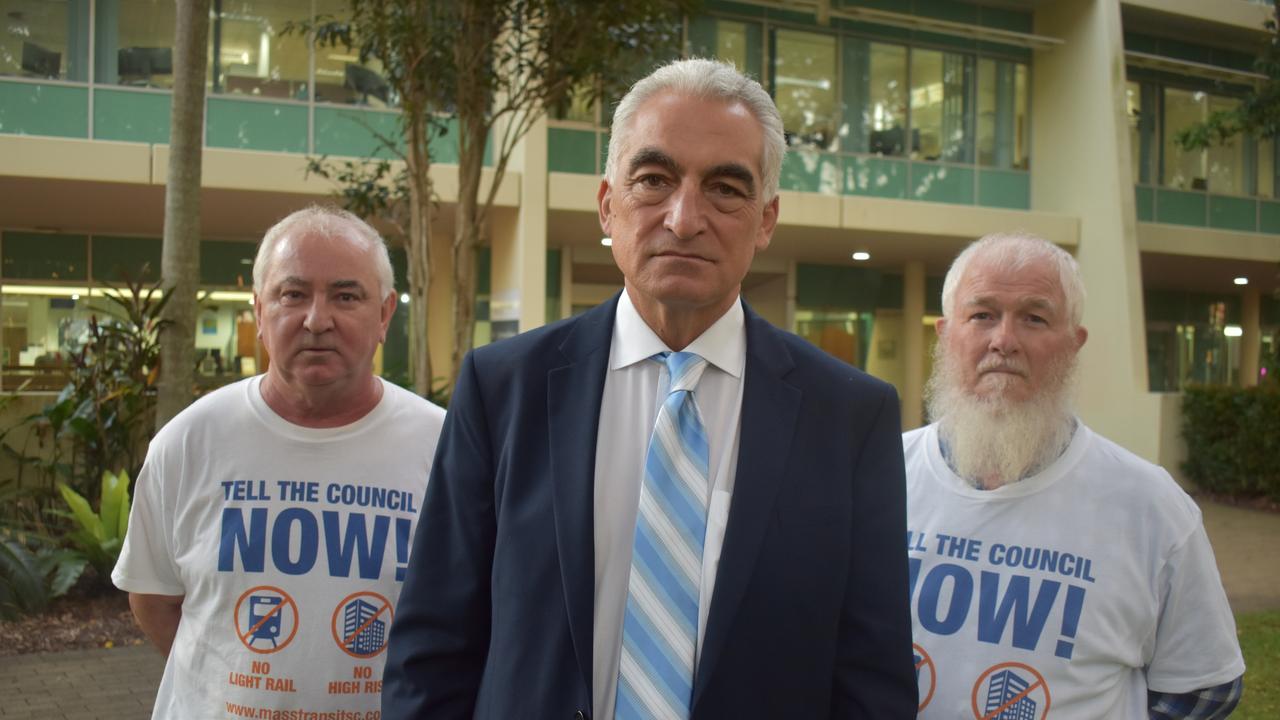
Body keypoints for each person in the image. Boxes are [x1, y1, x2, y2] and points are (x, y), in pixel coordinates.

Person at [382, 58, 917, 719]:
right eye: (655, 180)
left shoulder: (851, 417)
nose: (684, 218)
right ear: (609, 203)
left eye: (725, 189)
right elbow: (433, 650)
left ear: (767, 220)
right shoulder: (502, 390)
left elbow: (872, 679)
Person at [113, 206, 446, 719]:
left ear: (384, 315)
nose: (317, 319)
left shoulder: (444, 446)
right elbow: (154, 598)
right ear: (259, 312)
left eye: (346, 295)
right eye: (292, 294)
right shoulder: (188, 442)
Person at [904, 232, 1244, 718]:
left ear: (1073, 343)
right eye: (981, 315)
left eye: (1034, 318)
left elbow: (1206, 686)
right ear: (944, 333)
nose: (1003, 340)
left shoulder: (1149, 505)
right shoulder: (879, 473)